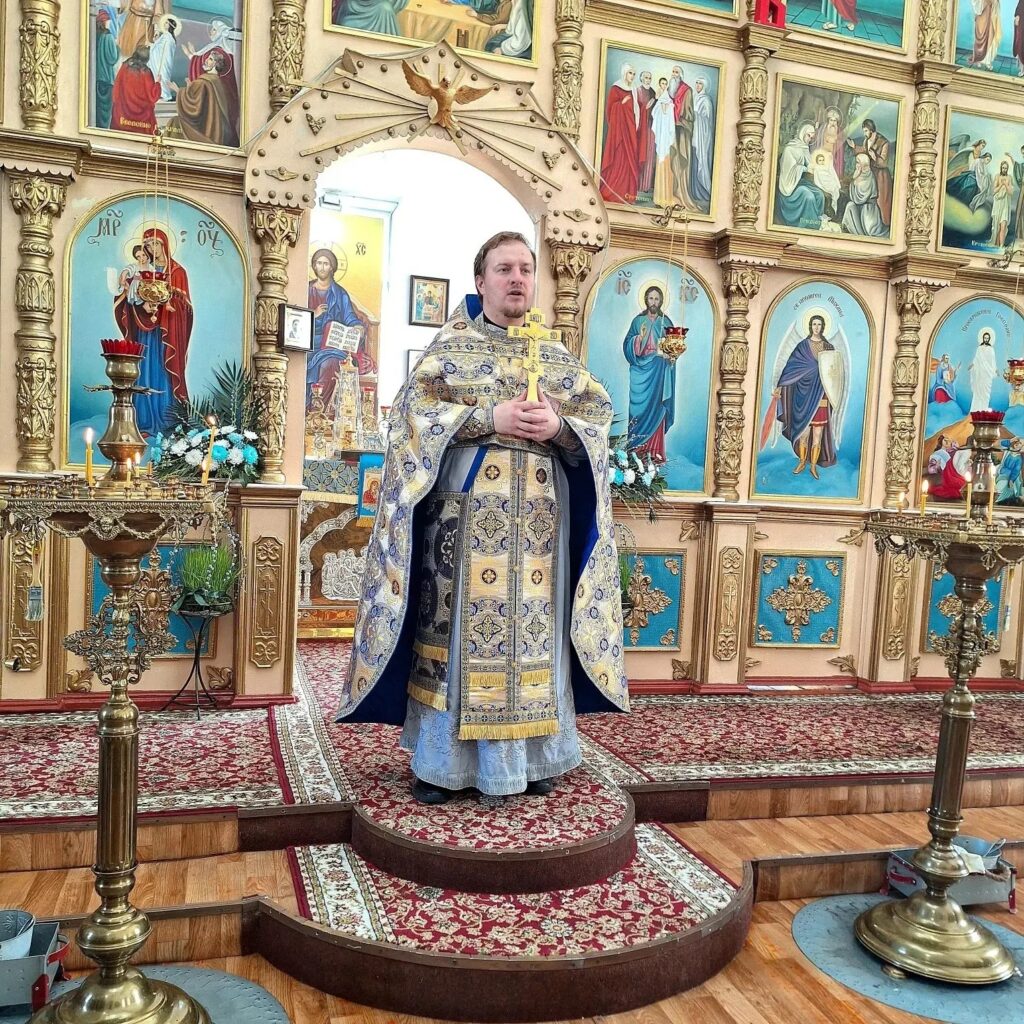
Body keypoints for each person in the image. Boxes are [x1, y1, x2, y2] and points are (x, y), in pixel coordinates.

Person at [336, 231, 628, 804]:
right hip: (464, 526)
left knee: (534, 639)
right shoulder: (451, 347)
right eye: (504, 269)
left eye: (525, 269)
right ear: (480, 280)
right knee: (461, 642)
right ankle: (441, 765)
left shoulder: (556, 356)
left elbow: (598, 417)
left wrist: (561, 428)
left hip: (540, 532)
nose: (517, 278)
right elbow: (410, 416)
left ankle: (533, 755)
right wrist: (486, 418)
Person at [114, 228, 193, 433]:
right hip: (145, 330)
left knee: (163, 370)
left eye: (155, 244)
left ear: (165, 244)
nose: (151, 249)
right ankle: (144, 421)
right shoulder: (141, 269)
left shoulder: (177, 272)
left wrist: (166, 302)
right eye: (148, 245)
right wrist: (135, 293)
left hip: (167, 333)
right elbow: (129, 295)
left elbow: (185, 308)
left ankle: (168, 423)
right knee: (144, 370)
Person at [306, 248, 374, 412]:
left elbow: (350, 317)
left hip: (333, 344)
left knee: (330, 363)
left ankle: (321, 412)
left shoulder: (340, 294)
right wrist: (313, 315)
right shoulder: (306, 290)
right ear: (314, 266)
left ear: (332, 267)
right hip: (309, 342)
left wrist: (357, 327)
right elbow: (296, 318)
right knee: (301, 360)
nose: (322, 267)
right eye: (318, 263)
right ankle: (307, 410)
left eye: (326, 264)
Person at [771, 314, 838, 479]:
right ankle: (802, 462)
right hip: (803, 397)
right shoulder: (802, 346)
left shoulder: (828, 348)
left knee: (817, 435)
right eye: (814, 324)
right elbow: (791, 368)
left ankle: (813, 466)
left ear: (823, 327)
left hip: (821, 396)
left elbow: (834, 373)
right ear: (810, 326)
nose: (816, 327)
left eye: (819, 324)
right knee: (804, 434)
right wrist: (780, 385)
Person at [622, 286, 677, 462]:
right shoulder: (638, 321)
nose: (654, 302)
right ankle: (635, 453)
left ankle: (655, 453)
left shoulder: (666, 322)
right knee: (638, 411)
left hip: (659, 370)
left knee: (657, 408)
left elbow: (673, 347)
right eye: (651, 298)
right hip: (641, 370)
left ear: (661, 301)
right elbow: (627, 345)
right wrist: (638, 339)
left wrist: (671, 356)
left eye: (657, 299)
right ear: (646, 299)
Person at [167, 50, 241, 148]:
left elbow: (194, 108)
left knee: (174, 122)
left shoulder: (204, 81)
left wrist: (177, 90)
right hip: (217, 133)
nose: (206, 60)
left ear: (215, 64)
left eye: (210, 59)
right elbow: (203, 101)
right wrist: (190, 86)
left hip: (206, 133)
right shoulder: (218, 81)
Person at [599, 64, 640, 205]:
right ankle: (614, 191)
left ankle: (628, 193)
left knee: (630, 161)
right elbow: (610, 110)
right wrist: (621, 103)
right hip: (619, 133)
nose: (632, 76)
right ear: (624, 73)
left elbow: (636, 111)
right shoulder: (615, 89)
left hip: (630, 130)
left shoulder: (634, 90)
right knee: (619, 158)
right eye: (630, 73)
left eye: (634, 74)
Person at [776, 123, 826, 230]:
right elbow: (789, 169)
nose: (809, 139)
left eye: (811, 137)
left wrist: (816, 167)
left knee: (820, 195)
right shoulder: (790, 149)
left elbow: (809, 163)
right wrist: (804, 169)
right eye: (808, 136)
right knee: (808, 196)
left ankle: (817, 221)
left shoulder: (804, 147)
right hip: (789, 185)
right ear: (803, 133)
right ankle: (809, 225)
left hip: (799, 182)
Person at [848, 119, 892, 227]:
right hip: (871, 173)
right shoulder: (866, 140)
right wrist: (854, 146)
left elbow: (884, 163)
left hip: (881, 176)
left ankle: (884, 223)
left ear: (871, 130)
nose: (865, 133)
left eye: (866, 131)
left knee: (881, 200)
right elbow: (865, 150)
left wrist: (875, 157)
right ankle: (870, 221)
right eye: (864, 131)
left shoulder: (884, 143)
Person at [110, 44, 161, 136]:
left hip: (123, 115)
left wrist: (117, 103)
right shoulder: (146, 72)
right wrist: (157, 83)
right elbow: (153, 97)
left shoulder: (124, 67)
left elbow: (116, 89)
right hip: (142, 121)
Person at [668, 66, 697, 211]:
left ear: (681, 75)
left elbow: (690, 113)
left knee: (681, 159)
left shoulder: (687, 90)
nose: (674, 75)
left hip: (682, 130)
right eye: (673, 72)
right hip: (670, 129)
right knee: (671, 160)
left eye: (677, 72)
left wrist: (681, 118)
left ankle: (681, 191)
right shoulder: (669, 89)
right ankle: (670, 192)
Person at [841, 152, 886, 236]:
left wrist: (855, 180)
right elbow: (853, 197)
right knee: (850, 206)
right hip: (859, 206)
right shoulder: (858, 175)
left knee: (870, 232)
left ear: (864, 164)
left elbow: (860, 198)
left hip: (868, 209)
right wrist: (854, 178)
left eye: (858, 163)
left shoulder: (869, 176)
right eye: (857, 162)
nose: (857, 165)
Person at [651, 77, 677, 208]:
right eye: (662, 83)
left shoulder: (670, 103)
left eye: (665, 83)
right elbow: (655, 117)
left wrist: (667, 108)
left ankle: (667, 197)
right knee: (659, 162)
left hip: (666, 139)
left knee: (666, 163)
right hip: (661, 138)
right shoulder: (658, 103)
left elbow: (671, 121)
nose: (664, 85)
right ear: (659, 84)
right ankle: (658, 198)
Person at [691, 75, 714, 209]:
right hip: (695, 134)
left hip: (702, 136)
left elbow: (708, 118)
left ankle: (703, 191)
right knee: (694, 161)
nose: (698, 86)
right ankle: (695, 192)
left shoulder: (706, 100)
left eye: (700, 83)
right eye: (696, 83)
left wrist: (697, 114)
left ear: (704, 86)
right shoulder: (695, 97)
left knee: (701, 160)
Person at [94, 10, 120, 130]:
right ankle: (104, 129)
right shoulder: (108, 37)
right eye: (108, 20)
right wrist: (117, 46)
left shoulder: (96, 35)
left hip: (97, 77)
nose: (110, 22)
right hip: (107, 78)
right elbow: (112, 58)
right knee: (106, 108)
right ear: (104, 22)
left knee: (98, 107)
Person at [332, 0, 411, 36]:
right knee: (346, 25)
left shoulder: (385, 8)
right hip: (353, 9)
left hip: (379, 8)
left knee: (385, 8)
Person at [636, 71, 657, 200]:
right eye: (646, 78)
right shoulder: (637, 91)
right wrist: (645, 107)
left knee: (650, 155)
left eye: (650, 78)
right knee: (639, 154)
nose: (648, 80)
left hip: (651, 128)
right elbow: (635, 109)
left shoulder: (653, 92)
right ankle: (637, 184)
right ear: (641, 78)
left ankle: (646, 185)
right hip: (640, 129)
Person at [149, 15, 180, 102]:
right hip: (162, 60)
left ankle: (165, 95)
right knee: (161, 76)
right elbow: (159, 46)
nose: (164, 24)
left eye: (166, 23)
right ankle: (160, 93)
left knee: (164, 76)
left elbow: (162, 48)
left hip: (164, 61)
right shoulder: (166, 36)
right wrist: (155, 41)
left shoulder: (168, 37)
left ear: (170, 26)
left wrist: (152, 45)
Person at [969, 329, 998, 410]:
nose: (986, 339)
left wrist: (995, 369)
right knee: (979, 391)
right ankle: (977, 409)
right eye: (985, 338)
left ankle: (984, 409)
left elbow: (993, 361)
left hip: (987, 373)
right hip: (980, 373)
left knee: (986, 392)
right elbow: (976, 359)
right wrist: (972, 365)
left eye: (987, 338)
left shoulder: (991, 349)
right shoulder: (979, 348)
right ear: (983, 338)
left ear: (989, 339)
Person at [971, 0, 1001, 70]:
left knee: (990, 38)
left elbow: (996, 5)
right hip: (982, 17)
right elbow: (976, 3)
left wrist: (995, 2)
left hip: (991, 18)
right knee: (980, 39)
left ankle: (987, 61)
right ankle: (978, 59)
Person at [991, 161, 1015, 247]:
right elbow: (994, 191)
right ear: (1001, 168)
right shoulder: (997, 176)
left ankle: (1001, 246)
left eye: (1006, 168)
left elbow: (1011, 192)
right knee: (997, 226)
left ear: (1007, 169)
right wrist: (1001, 184)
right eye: (1003, 168)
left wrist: (1006, 184)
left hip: (1005, 204)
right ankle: (997, 245)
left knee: (1003, 226)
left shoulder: (1009, 177)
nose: (1004, 169)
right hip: (998, 204)